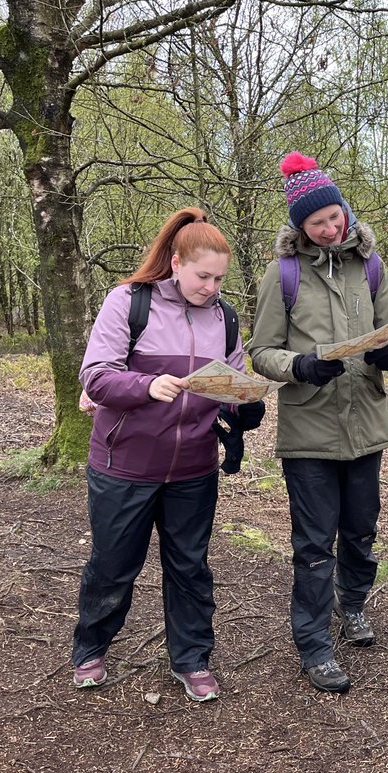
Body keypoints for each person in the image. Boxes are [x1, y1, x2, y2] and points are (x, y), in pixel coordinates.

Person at [70, 207, 265, 703]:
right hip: (125, 465)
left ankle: (192, 658)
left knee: (190, 566)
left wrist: (246, 403)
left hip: (194, 470)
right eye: (203, 276)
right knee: (113, 564)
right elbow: (95, 376)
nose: (211, 287)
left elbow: (231, 383)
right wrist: (145, 384)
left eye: (220, 278)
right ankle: (91, 649)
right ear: (176, 263)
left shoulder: (224, 316)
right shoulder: (128, 303)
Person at [247, 152, 388, 694]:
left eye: (335, 217)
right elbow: (260, 351)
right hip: (309, 431)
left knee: (361, 529)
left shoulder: (371, 264)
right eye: (317, 223)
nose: (331, 228)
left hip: (366, 423)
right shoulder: (283, 274)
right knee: (315, 543)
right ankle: (314, 644)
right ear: (300, 227)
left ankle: (354, 605)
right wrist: (301, 367)